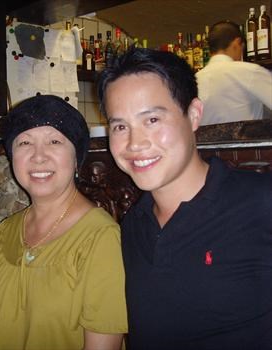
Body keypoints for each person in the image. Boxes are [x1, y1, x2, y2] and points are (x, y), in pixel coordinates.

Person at [98, 48, 272, 349]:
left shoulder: (260, 204)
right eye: (120, 126)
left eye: (152, 120)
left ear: (193, 115)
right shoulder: (133, 226)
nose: (134, 143)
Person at [0, 95, 128, 350]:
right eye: (25, 142)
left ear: (76, 159)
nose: (38, 156)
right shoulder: (6, 230)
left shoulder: (100, 237)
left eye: (54, 141)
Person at [195, 20, 272, 125]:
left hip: (204, 141)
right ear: (236, 43)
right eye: (242, 48)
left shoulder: (195, 79)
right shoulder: (249, 71)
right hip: (247, 140)